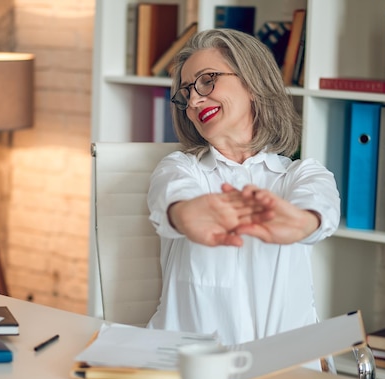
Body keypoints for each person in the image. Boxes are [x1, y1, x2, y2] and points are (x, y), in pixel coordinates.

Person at [145, 28, 341, 358]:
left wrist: (303, 223)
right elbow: (172, 198)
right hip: (189, 370)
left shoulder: (300, 174)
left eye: (207, 80)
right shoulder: (180, 168)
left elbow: (319, 205)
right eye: (186, 93)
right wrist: (184, 214)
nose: (193, 101)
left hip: (286, 372)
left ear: (252, 83)